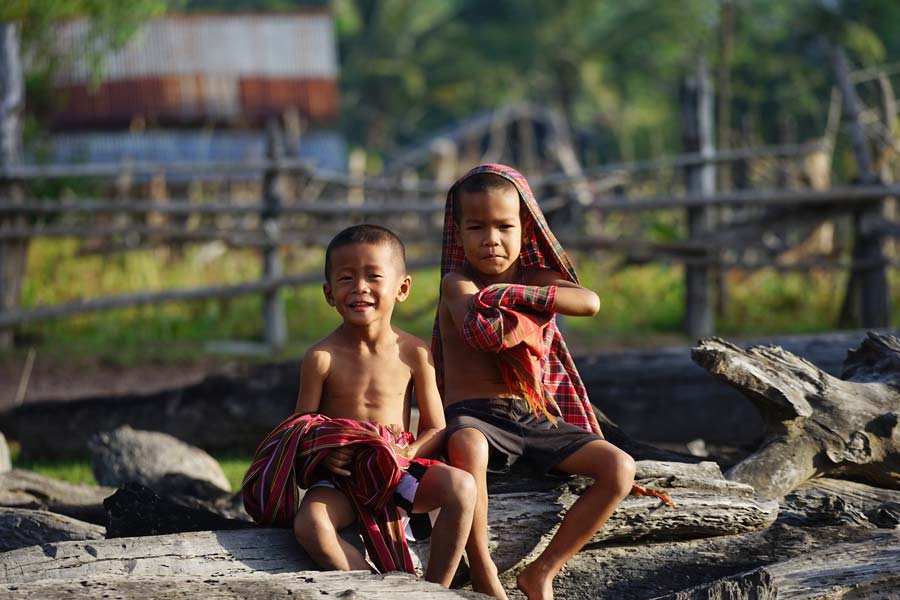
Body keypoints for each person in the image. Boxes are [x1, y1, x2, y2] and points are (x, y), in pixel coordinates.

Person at [433, 164, 637, 600]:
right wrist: (510, 295)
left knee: (619, 468)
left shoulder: (529, 280)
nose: (492, 239)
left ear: (525, 229)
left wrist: (513, 291)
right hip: (475, 416)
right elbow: (484, 332)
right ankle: (484, 566)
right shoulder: (458, 284)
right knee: (467, 446)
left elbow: (590, 301)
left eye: (504, 226)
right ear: (459, 232)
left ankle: (541, 571)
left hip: (530, 416)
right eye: (477, 227)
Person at [243, 224, 476, 588]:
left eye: (373, 276)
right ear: (328, 292)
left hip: (397, 472)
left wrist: (404, 452)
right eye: (346, 278)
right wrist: (323, 457)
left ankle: (433, 592)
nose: (360, 288)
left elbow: (436, 427)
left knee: (461, 487)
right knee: (311, 524)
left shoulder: (414, 353)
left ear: (402, 288)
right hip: (341, 480)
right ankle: (376, 588)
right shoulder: (321, 357)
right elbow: (300, 433)